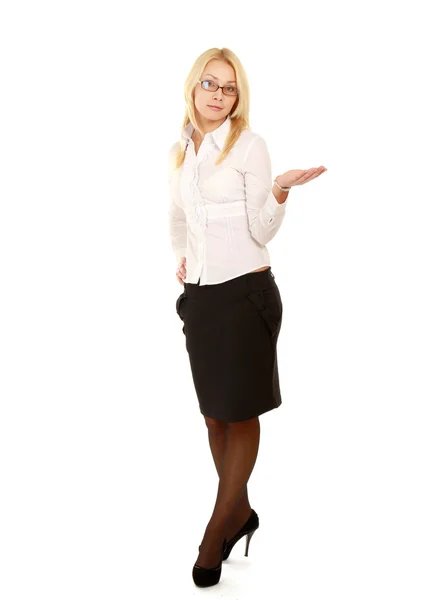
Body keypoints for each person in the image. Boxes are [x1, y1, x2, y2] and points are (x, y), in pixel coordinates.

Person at [167, 47, 327, 587]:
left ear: (238, 98)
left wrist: (280, 189)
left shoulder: (248, 146)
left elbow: (261, 228)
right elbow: (177, 216)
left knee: (240, 415)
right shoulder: (181, 150)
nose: (216, 93)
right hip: (203, 299)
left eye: (228, 88)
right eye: (209, 83)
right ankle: (241, 511)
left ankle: (216, 530)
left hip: (246, 295)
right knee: (214, 416)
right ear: (193, 87)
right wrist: (182, 261)